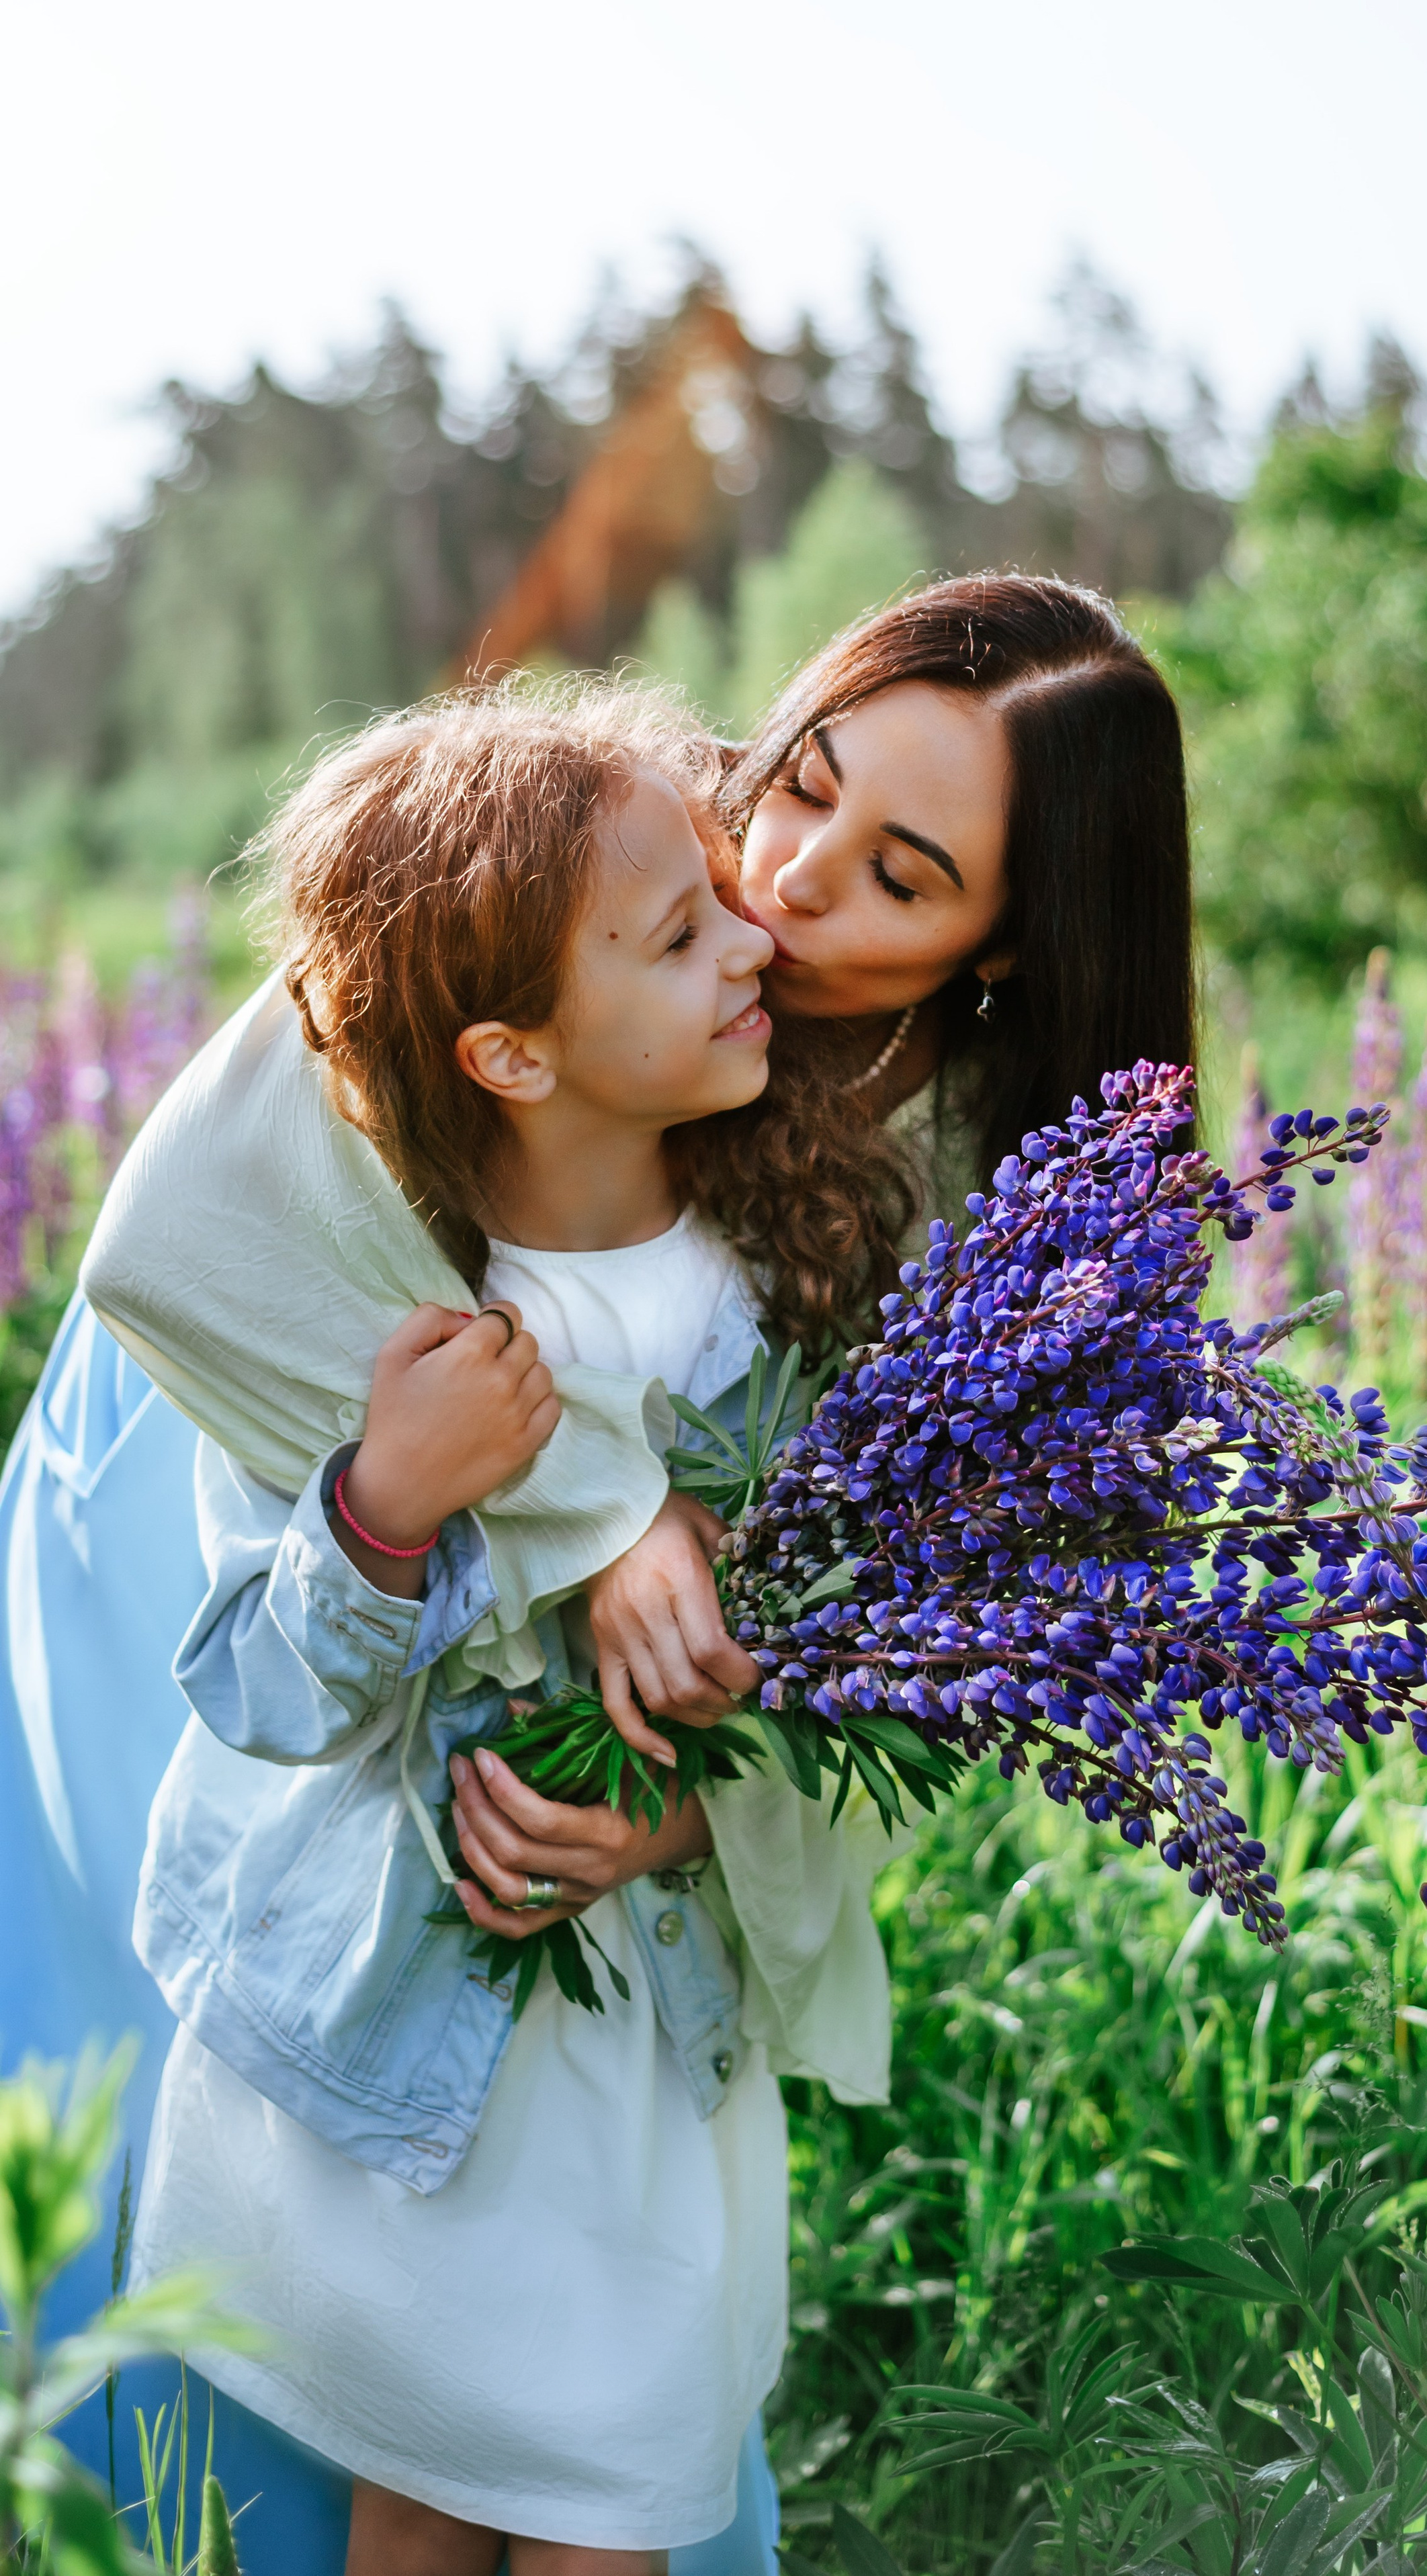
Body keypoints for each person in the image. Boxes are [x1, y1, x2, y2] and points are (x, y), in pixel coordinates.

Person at [0, 574, 1193, 2568]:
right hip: (263, 1434)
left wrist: (681, 1803)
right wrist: (601, 1504)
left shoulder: (949, 1215)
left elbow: (898, 1661)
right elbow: (195, 1230)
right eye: (799, 775)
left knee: (564, 2399)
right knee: (154, 2074)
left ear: (1002, 953)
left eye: (897, 874)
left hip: (572, 1916)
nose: (791, 878)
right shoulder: (568, 852)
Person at [88, 682, 904, 2573]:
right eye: (676, 933)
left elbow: (867, 1696)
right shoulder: (357, 1323)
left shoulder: (776, 1315)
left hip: (636, 2077)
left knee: (602, 2504)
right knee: (420, 2508)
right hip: (396, 2056)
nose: (751, 938)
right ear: (512, 1054)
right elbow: (253, 1687)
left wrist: (679, 1813)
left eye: (725, 899)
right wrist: (385, 1504)